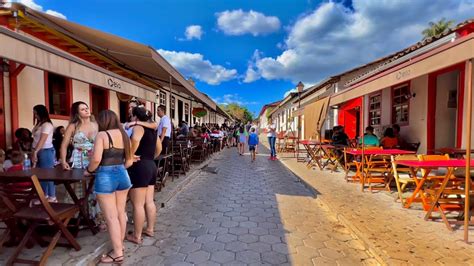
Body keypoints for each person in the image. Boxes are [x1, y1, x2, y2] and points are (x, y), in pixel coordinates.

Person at [84, 110, 133, 264]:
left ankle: (117, 254)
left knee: (111, 218)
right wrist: (119, 169)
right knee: (120, 213)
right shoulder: (124, 135)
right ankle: (121, 245)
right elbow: (129, 161)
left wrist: (89, 170)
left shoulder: (102, 135)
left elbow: (96, 159)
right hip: (123, 175)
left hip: (105, 176)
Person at [126, 107, 162, 244]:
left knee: (138, 204)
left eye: (131, 116)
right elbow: (159, 149)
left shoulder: (138, 128)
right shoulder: (152, 130)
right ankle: (150, 229)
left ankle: (136, 236)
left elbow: (135, 140)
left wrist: (129, 156)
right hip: (151, 165)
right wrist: (149, 158)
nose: (130, 118)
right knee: (149, 201)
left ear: (135, 117)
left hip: (139, 166)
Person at [31, 104, 56, 202]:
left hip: (45, 151)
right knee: (39, 175)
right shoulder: (39, 124)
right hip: (36, 150)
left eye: (36, 113)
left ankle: (52, 196)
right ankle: (43, 195)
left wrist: (35, 152)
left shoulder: (47, 125)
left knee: (47, 174)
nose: (35, 115)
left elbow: (42, 140)